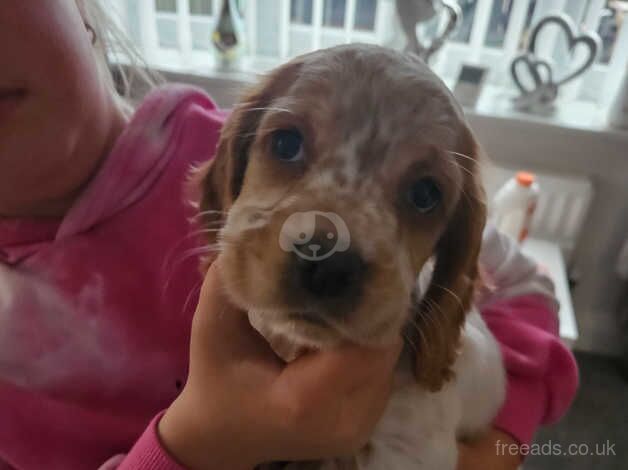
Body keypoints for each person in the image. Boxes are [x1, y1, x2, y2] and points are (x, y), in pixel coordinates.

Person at [0, 1, 578, 469]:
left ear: (82, 10)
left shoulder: (214, 138)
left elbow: (524, 286)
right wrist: (198, 446)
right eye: (291, 147)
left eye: (423, 194)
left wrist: (500, 441)